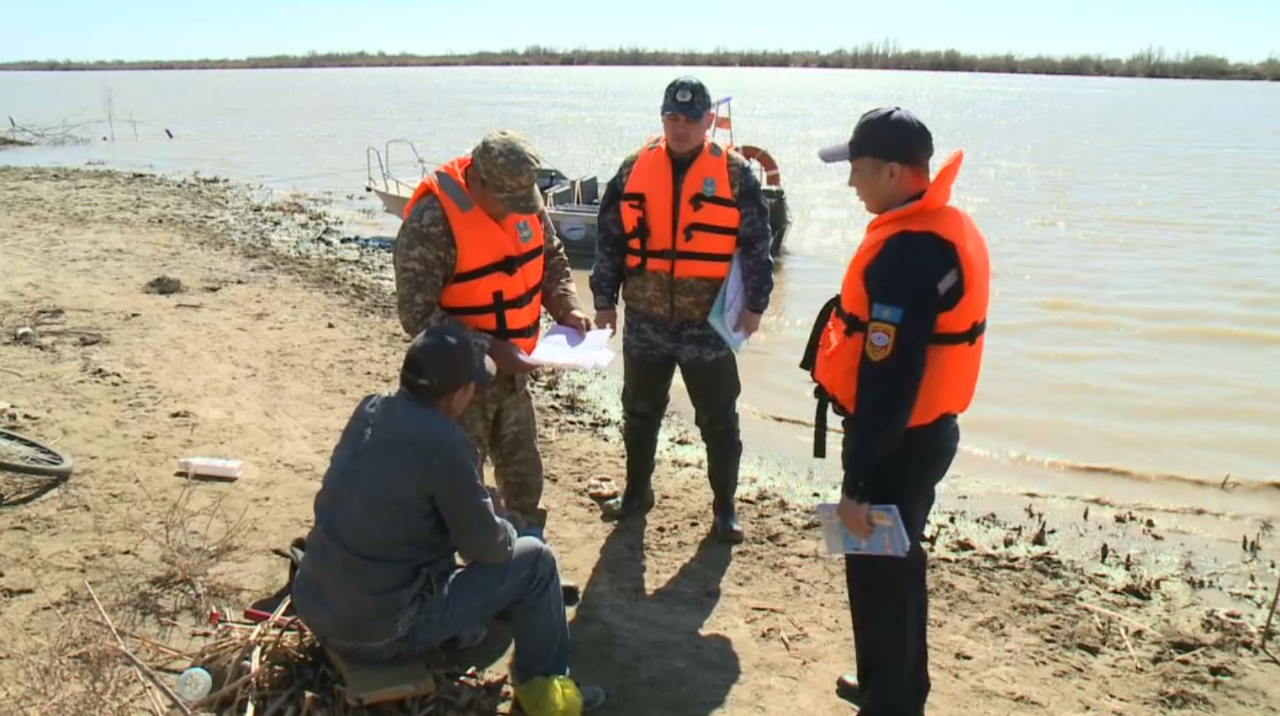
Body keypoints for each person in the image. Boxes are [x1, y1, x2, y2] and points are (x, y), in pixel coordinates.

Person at [292, 325, 605, 713]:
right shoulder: (447, 444)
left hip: (316, 604)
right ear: (456, 393)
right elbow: (490, 549)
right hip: (377, 632)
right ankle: (546, 694)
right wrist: (499, 518)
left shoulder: (370, 408)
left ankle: (461, 633)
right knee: (537, 562)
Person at [800, 108, 990, 714]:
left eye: (856, 171)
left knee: (881, 574)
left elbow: (890, 379)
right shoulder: (936, 227)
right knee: (893, 567)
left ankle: (893, 700)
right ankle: (891, 684)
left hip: (896, 442)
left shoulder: (908, 253)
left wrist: (857, 482)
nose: (851, 183)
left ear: (890, 171)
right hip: (921, 434)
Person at [590, 76, 774, 544]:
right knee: (639, 413)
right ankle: (636, 494)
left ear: (707, 120)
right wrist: (604, 301)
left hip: (706, 325)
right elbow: (610, 237)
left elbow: (756, 243)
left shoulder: (735, 174)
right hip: (646, 321)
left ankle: (725, 509)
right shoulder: (633, 167)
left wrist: (755, 304)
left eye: (690, 119)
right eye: (671, 118)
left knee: (719, 420)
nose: (680, 128)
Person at [393, 130, 592, 539]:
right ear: (477, 181)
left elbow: (550, 257)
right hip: (454, 384)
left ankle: (527, 562)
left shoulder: (519, 197)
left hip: (514, 375)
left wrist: (567, 307)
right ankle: (450, 573)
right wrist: (488, 348)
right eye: (506, 202)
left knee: (524, 476)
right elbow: (416, 315)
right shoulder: (433, 220)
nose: (515, 211)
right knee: (456, 481)